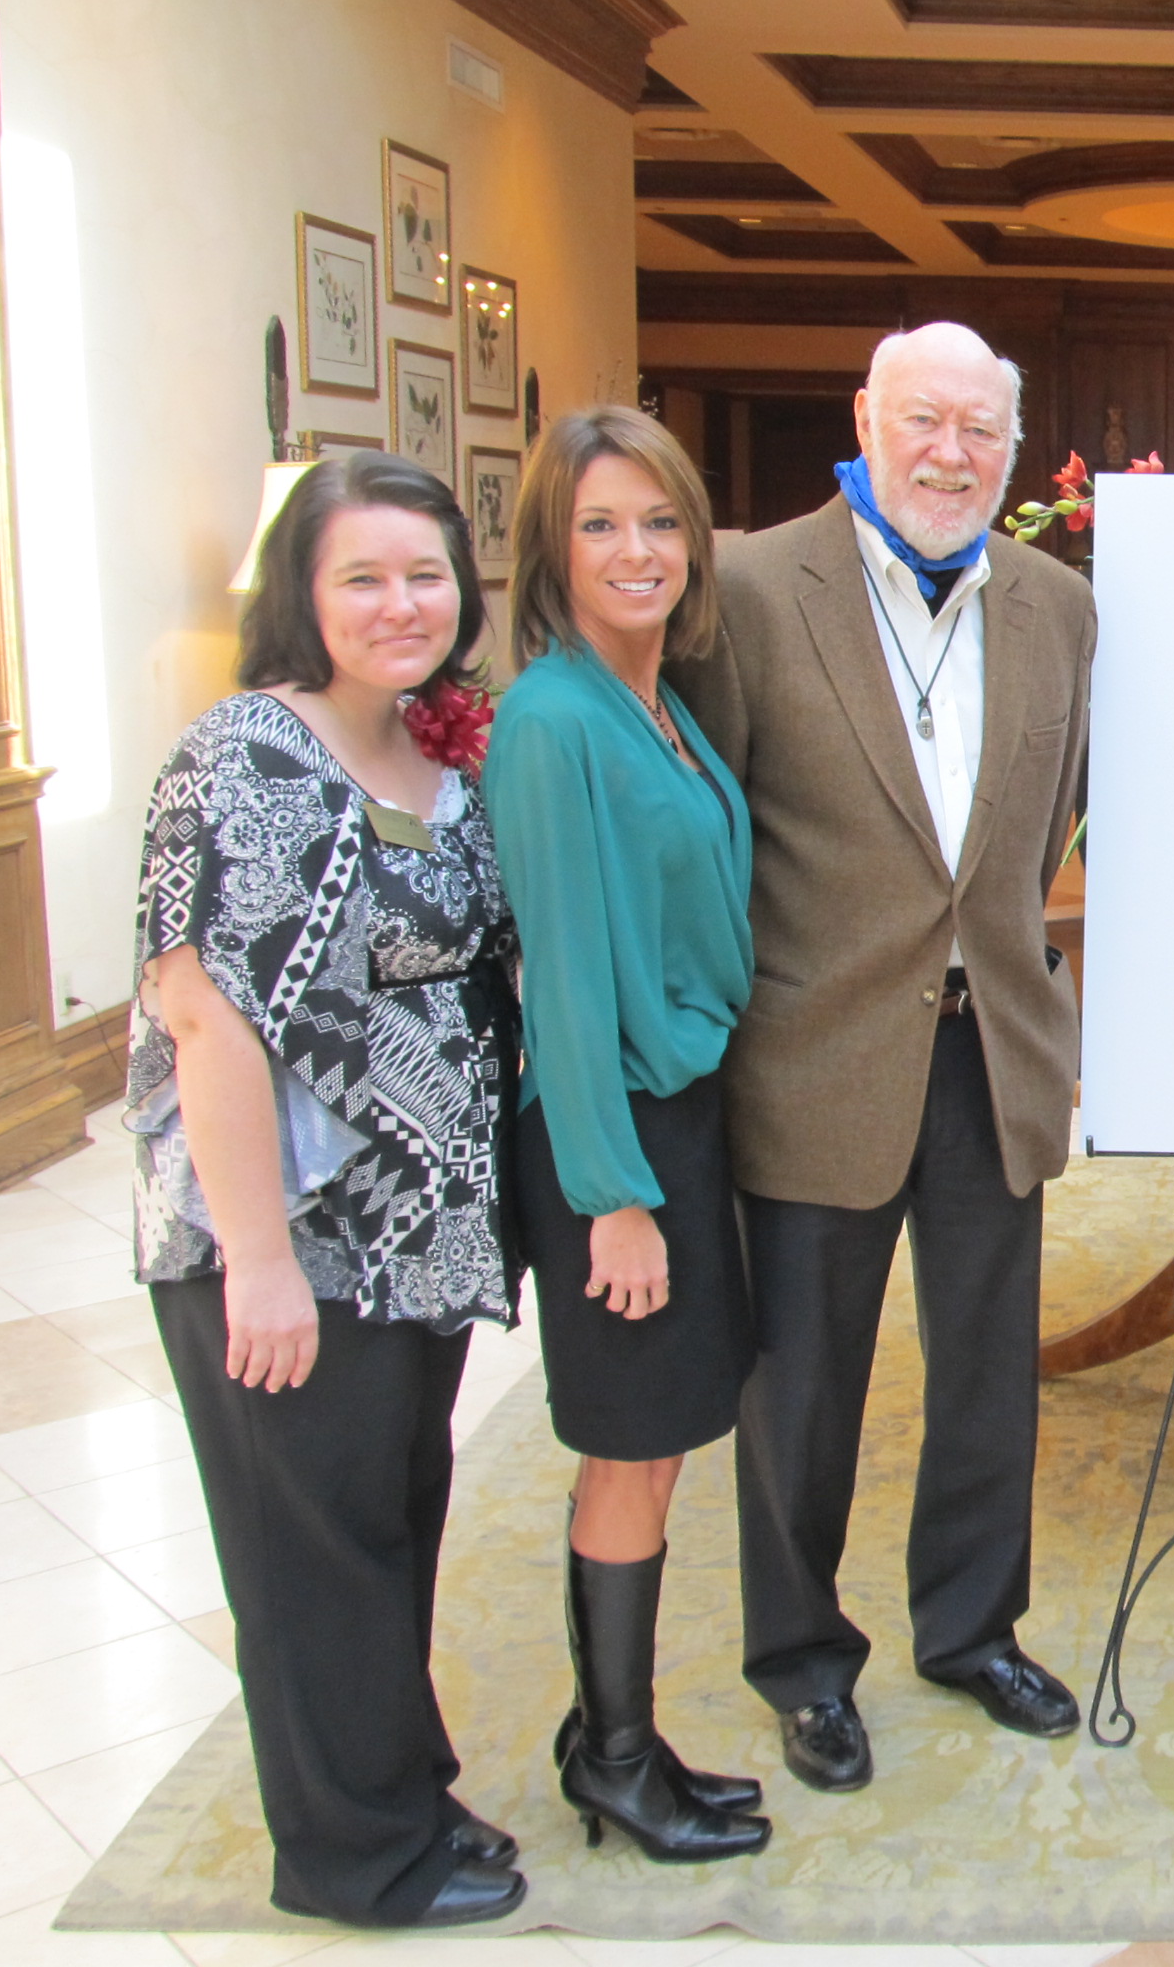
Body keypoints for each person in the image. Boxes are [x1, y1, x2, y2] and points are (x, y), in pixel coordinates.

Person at [676, 320, 1095, 1793]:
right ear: (866, 415)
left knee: (990, 1373)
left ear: (1012, 449)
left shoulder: (1056, 603)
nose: (950, 455)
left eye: (981, 430)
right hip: (813, 1054)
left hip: (997, 1055)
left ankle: (973, 1627)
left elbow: (1042, 832)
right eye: (924, 419)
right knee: (801, 1390)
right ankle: (801, 1660)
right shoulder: (743, 588)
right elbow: (710, 831)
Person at [126, 452, 522, 1927]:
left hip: (411, 1247)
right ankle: (355, 1861)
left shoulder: (420, 749)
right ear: (302, 590)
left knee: (390, 1523)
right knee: (310, 1557)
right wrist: (259, 1261)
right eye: (363, 575)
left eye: (426, 573)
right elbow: (205, 1013)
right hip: (295, 1242)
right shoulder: (245, 755)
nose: (401, 602)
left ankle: (400, 1791)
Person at [483, 409, 770, 1863]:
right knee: (629, 1449)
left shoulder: (653, 700)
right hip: (613, 1134)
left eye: (659, 521)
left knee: (658, 1447)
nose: (636, 550)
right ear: (551, 547)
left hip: (680, 1117)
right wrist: (613, 1196)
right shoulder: (549, 722)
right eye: (600, 524)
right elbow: (565, 981)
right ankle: (611, 1761)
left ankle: (622, 1732)